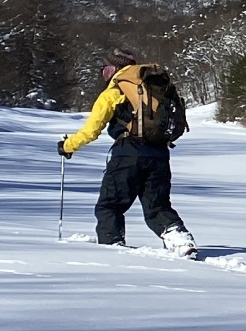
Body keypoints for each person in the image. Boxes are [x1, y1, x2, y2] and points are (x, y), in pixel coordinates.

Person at [60, 60, 196, 256]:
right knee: (157, 206)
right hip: (159, 153)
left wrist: (67, 146)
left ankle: (112, 249)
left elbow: (91, 130)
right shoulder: (154, 88)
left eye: (106, 70)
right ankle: (180, 239)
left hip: (127, 154)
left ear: (115, 69)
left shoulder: (116, 90)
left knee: (110, 205)